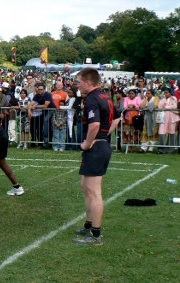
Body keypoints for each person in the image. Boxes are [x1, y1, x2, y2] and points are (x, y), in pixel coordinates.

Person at [73, 68, 120, 245]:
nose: (77, 85)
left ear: (88, 82)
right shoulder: (104, 96)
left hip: (96, 148)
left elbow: (95, 125)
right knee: (85, 186)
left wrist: (88, 142)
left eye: (79, 82)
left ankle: (95, 235)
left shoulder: (93, 98)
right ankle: (89, 224)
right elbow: (117, 117)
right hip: (100, 145)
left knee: (93, 191)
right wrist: (105, 134)